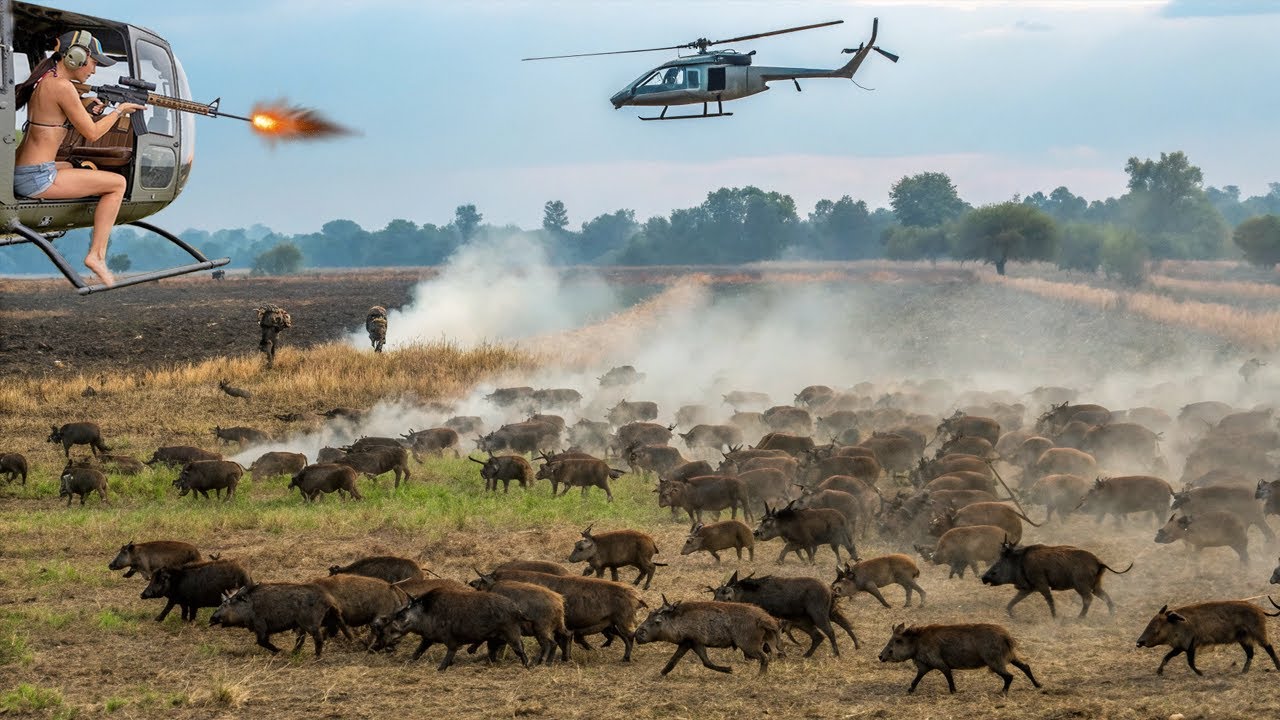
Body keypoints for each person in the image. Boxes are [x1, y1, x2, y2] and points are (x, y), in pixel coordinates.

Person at [13, 30, 145, 287]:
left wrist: (86, 105)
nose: (94, 70)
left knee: (75, 165)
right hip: (36, 178)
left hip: (24, 170)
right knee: (117, 184)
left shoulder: (47, 80)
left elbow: (53, 118)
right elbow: (93, 133)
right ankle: (96, 256)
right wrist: (120, 111)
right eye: (94, 62)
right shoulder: (63, 87)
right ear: (75, 57)